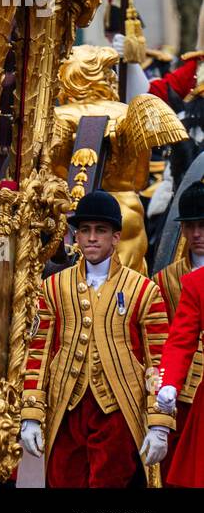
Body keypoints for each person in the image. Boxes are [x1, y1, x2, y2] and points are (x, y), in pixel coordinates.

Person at [20, 190, 174, 487]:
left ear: (116, 237)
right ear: (75, 236)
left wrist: (158, 422)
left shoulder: (143, 290)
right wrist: (31, 413)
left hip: (118, 411)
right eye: (85, 231)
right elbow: (38, 354)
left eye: (100, 231)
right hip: (66, 408)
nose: (91, 238)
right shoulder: (53, 287)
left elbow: (158, 361)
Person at [151, 181, 204, 475]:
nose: (197, 234)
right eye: (191, 226)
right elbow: (175, 341)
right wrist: (166, 384)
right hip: (184, 395)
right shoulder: (170, 280)